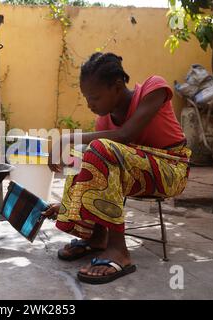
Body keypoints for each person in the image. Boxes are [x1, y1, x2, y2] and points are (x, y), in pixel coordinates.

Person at [43, 52, 191, 284]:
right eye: (86, 98)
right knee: (82, 154)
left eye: (95, 97)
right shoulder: (105, 119)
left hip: (171, 170)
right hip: (135, 172)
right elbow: (99, 168)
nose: (90, 104)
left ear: (118, 86)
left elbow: (125, 135)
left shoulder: (154, 89)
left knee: (100, 148)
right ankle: (96, 237)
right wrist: (68, 202)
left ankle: (118, 250)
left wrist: (67, 138)